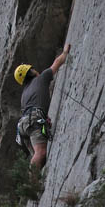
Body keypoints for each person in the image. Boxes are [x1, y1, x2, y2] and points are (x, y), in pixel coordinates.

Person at [14, 44, 71, 175]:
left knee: (39, 159)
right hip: (33, 120)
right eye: (32, 69)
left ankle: (35, 182)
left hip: (23, 126)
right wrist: (65, 52)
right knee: (41, 153)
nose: (35, 69)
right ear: (31, 72)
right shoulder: (41, 79)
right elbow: (57, 63)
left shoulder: (24, 94)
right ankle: (31, 185)